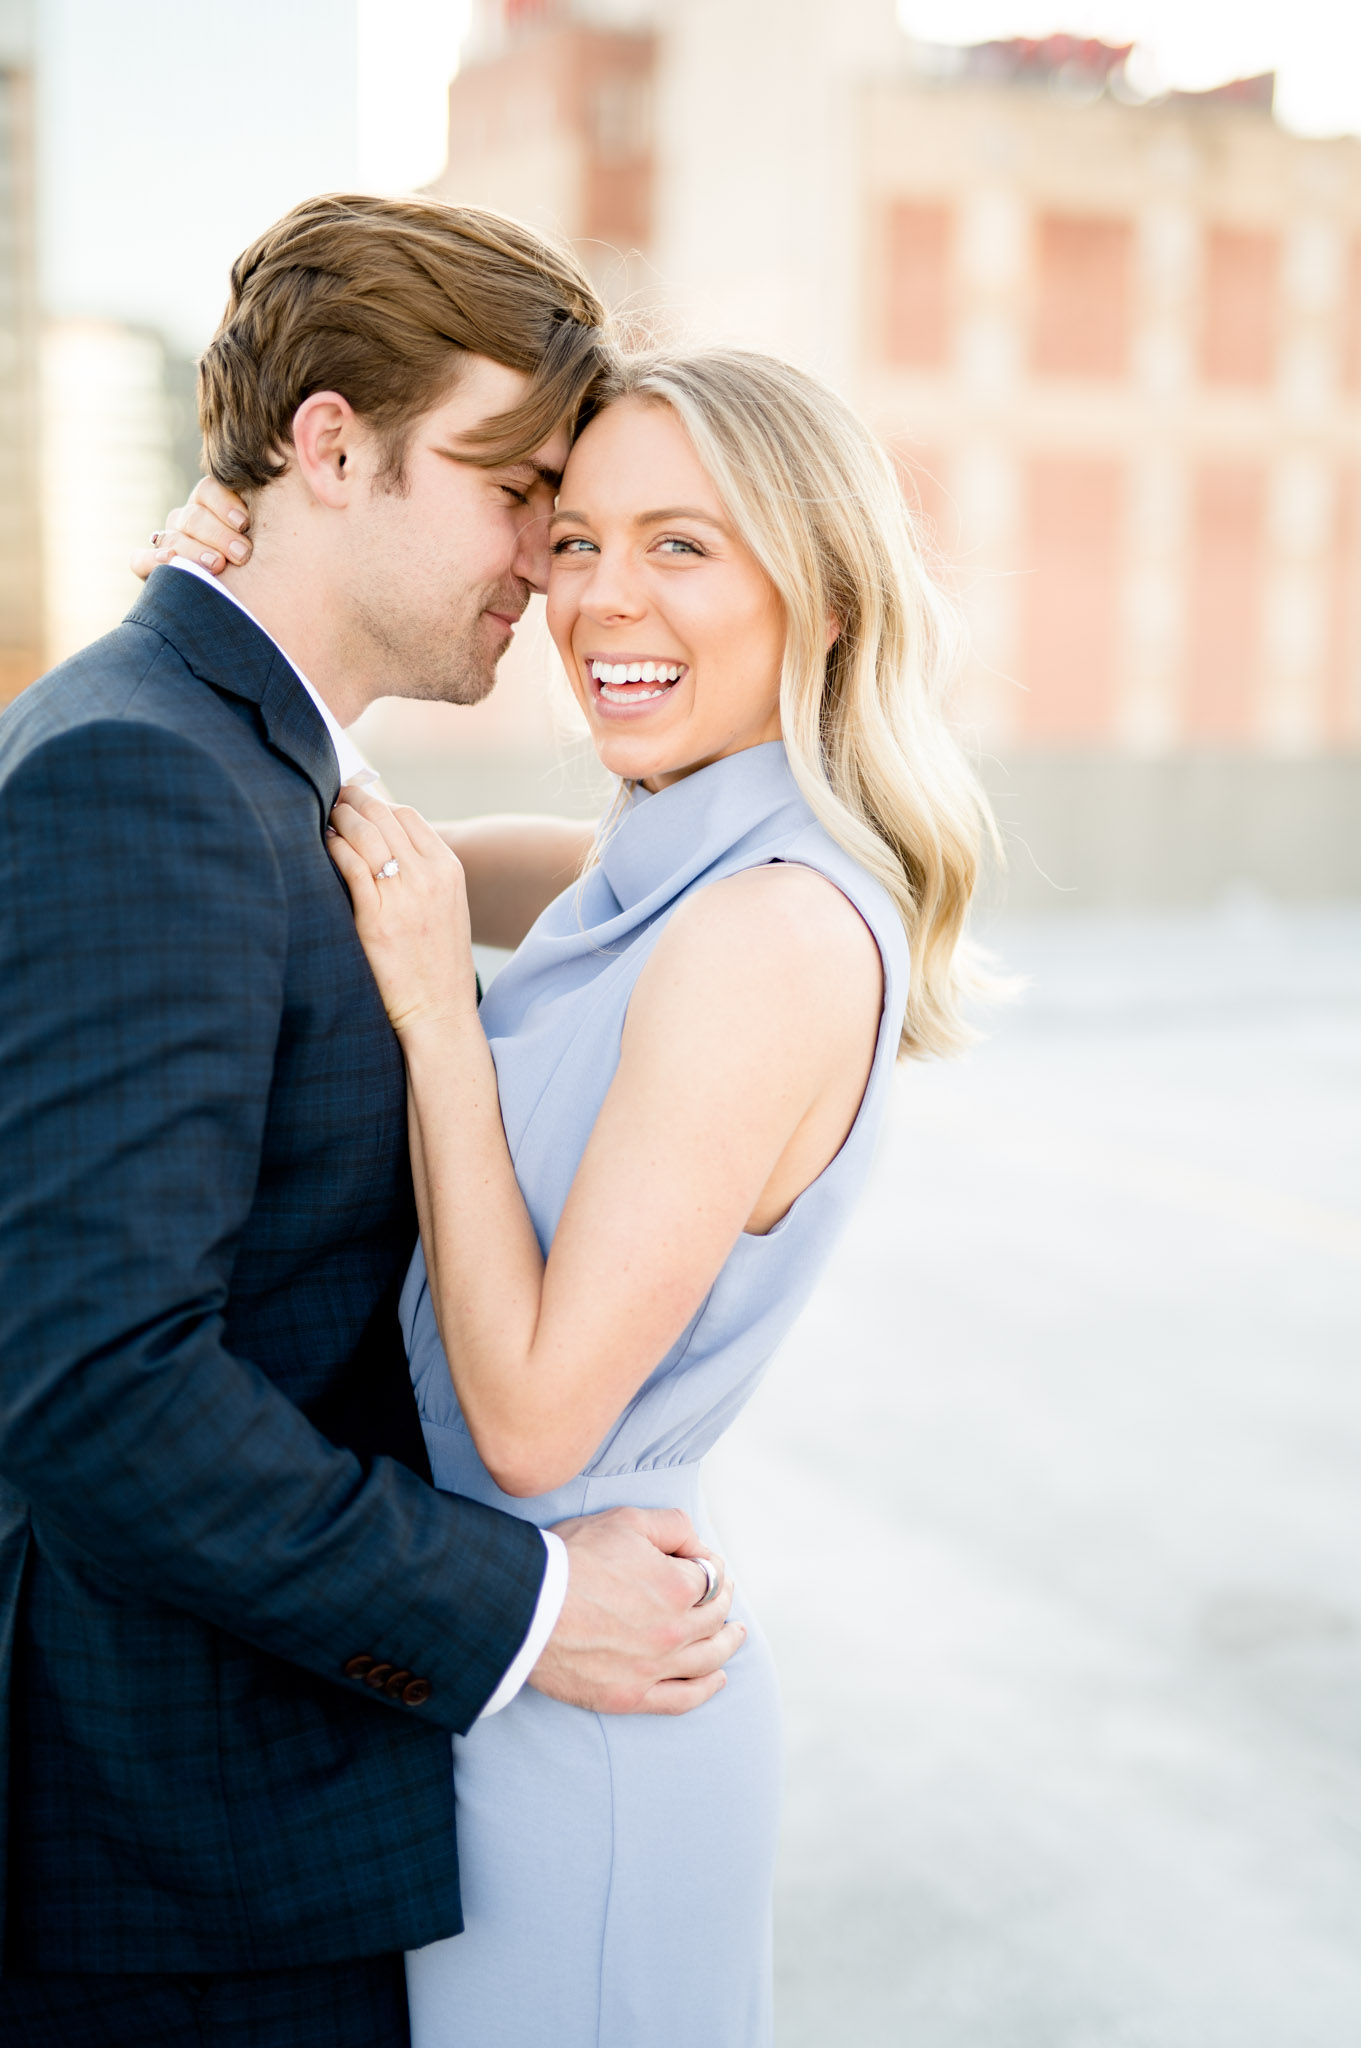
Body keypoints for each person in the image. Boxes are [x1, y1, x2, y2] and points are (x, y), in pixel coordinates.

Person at [151, 345, 998, 2045]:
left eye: (683, 545)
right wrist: (208, 606)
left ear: (819, 597)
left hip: (591, 1695)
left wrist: (437, 1015)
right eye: (577, 540)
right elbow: (325, 833)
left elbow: (535, 1420)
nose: (605, 597)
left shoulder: (763, 933)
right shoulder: (639, 869)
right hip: (485, 1662)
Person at [0, 195, 745, 2048]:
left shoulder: (238, 753)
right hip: (181, 1880)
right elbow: (99, 1385)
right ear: (331, 447)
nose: (548, 567)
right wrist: (522, 1606)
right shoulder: (143, 772)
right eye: (516, 493)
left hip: (243, 1834)